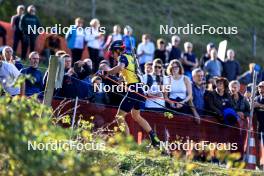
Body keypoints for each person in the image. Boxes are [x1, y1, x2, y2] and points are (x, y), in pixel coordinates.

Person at [99, 40, 160, 146]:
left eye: (112, 52)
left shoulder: (122, 57)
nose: (112, 55)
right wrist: (121, 79)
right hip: (139, 88)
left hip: (134, 90)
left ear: (118, 50)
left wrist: (106, 73)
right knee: (136, 116)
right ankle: (154, 139)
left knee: (119, 117)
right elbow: (127, 71)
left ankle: (128, 143)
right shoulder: (130, 57)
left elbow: (120, 67)